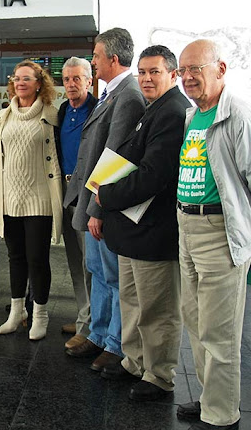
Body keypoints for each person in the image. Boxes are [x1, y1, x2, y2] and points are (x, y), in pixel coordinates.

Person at [93, 45, 188, 401]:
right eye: (143, 72)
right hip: (134, 229)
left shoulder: (172, 112)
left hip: (154, 231)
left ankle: (159, 375)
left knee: (157, 309)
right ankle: (135, 361)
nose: (147, 79)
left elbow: (153, 174)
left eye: (155, 72)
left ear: (173, 75)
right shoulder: (154, 108)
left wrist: (107, 195)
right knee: (133, 302)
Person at [174, 39, 250, 430]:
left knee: (219, 331)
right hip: (187, 227)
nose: (187, 77)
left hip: (218, 231)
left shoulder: (238, 116)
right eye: (183, 70)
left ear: (220, 69)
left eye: (196, 69)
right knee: (196, 321)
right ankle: (209, 398)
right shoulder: (193, 116)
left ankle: (222, 415)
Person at [63, 28, 146, 372]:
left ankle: (115, 343)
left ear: (112, 58)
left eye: (96, 56)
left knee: (112, 277)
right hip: (93, 201)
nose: (93, 62)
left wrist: (97, 209)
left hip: (104, 207)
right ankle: (97, 335)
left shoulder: (128, 96)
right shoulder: (112, 93)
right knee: (98, 272)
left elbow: (116, 158)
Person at [0, 60, 62, 338]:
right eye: (17, 78)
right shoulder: (3, 117)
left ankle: (40, 314)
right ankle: (17, 312)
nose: (20, 83)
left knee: (37, 259)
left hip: (40, 200)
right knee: (15, 258)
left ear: (39, 83)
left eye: (27, 78)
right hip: (9, 200)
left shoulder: (51, 116)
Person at [55, 57, 96, 349]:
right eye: (67, 79)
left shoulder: (98, 110)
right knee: (73, 261)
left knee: (89, 264)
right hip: (64, 190)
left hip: (87, 193)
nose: (71, 84)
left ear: (89, 81)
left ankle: (91, 326)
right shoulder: (62, 109)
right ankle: (83, 316)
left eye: (77, 78)